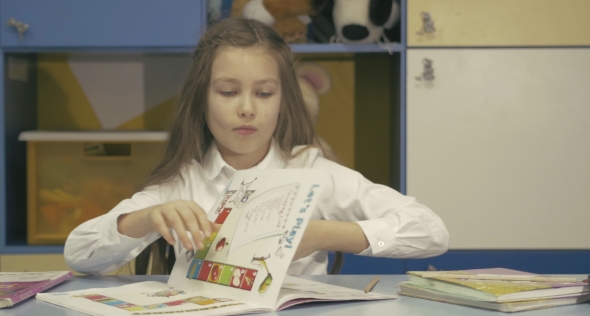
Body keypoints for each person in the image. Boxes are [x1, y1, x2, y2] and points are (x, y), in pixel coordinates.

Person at [64, 18, 449, 276]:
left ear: (283, 100)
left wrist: (321, 235)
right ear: (203, 99)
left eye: (264, 93)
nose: (247, 108)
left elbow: (431, 232)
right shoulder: (184, 182)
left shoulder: (311, 170)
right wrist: (148, 218)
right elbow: (78, 254)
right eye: (228, 92)